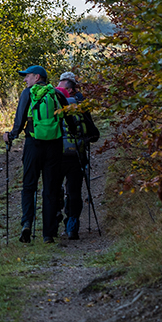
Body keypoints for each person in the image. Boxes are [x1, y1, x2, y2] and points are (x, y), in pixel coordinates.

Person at [5, 65, 68, 243]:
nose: (25, 79)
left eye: (27, 76)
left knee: (29, 186)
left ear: (37, 77)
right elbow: (68, 119)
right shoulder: (57, 94)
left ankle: (27, 223)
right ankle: (48, 233)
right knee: (50, 189)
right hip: (54, 145)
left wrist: (11, 136)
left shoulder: (28, 93)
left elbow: (20, 120)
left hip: (33, 144)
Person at [54, 71, 101, 240]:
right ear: (74, 88)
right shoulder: (80, 106)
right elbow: (94, 134)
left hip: (56, 155)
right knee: (74, 192)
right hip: (77, 156)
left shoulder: (52, 103)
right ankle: (72, 226)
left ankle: (54, 218)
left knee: (53, 188)